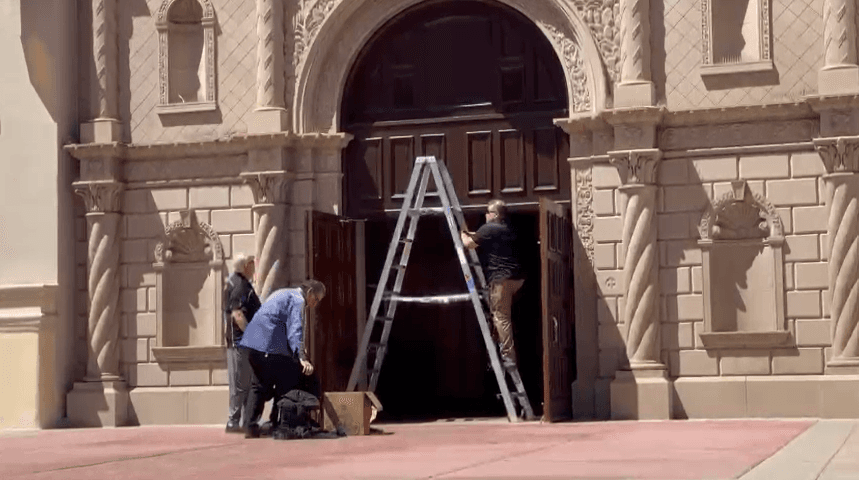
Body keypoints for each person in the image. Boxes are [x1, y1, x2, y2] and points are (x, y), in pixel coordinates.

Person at [238, 279, 326, 438]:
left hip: (252, 344)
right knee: (288, 379)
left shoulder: (283, 293)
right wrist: (302, 357)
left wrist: (297, 349)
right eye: (317, 299)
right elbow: (295, 329)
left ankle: (249, 426)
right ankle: (277, 422)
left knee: (259, 384)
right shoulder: (298, 300)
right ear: (310, 292)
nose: (315, 304)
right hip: (267, 345)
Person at [460, 199, 525, 368]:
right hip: (517, 279)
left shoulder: (489, 228)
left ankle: (508, 358)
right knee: (498, 315)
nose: (486, 215)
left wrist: (461, 231)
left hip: (500, 280)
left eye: (488, 212)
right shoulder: (508, 228)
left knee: (501, 317)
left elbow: (469, 244)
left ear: (494, 214)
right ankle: (497, 351)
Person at [223, 254, 262, 433]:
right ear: (245, 266)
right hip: (240, 343)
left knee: (245, 382)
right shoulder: (239, 286)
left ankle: (245, 420)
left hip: (243, 343)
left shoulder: (242, 284)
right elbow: (237, 315)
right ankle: (233, 420)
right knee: (239, 382)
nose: (255, 266)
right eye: (252, 263)